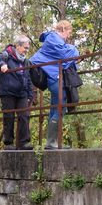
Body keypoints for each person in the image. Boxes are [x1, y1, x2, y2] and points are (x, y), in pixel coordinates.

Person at [30, 19, 79, 149]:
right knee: (60, 107)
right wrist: (74, 48)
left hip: (54, 77)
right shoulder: (53, 39)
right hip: (54, 78)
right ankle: (52, 142)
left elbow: (64, 55)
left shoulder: (53, 40)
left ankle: (53, 142)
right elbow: (65, 54)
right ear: (63, 29)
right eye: (68, 32)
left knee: (55, 108)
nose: (69, 36)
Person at [0, 34, 34, 150]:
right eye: (25, 48)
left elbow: (28, 78)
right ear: (18, 46)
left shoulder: (26, 62)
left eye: (27, 48)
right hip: (8, 92)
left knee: (24, 116)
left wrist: (30, 95)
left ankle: (23, 142)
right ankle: (8, 143)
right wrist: (2, 64)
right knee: (8, 116)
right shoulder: (6, 55)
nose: (26, 51)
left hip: (22, 93)